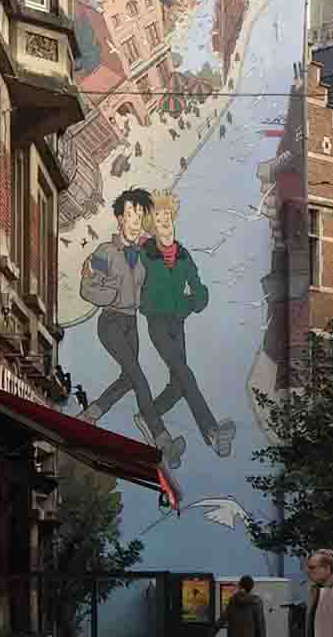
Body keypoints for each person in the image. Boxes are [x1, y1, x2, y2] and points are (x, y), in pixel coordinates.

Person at [78, 189, 183, 465]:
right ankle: (162, 438)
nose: (135, 221)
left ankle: (90, 415)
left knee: (128, 378)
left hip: (131, 323)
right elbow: (87, 287)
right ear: (118, 219)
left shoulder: (146, 254)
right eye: (130, 215)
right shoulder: (105, 252)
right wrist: (111, 294)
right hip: (110, 321)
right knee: (139, 378)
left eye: (139, 215)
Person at [140, 190, 235, 459]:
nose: (164, 221)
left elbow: (200, 291)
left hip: (177, 324)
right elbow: (139, 290)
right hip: (157, 323)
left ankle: (149, 414)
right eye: (158, 218)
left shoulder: (183, 256)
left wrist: (189, 302)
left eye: (167, 216)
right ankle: (212, 432)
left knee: (179, 384)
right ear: (152, 224)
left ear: (173, 219)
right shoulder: (145, 255)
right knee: (185, 373)